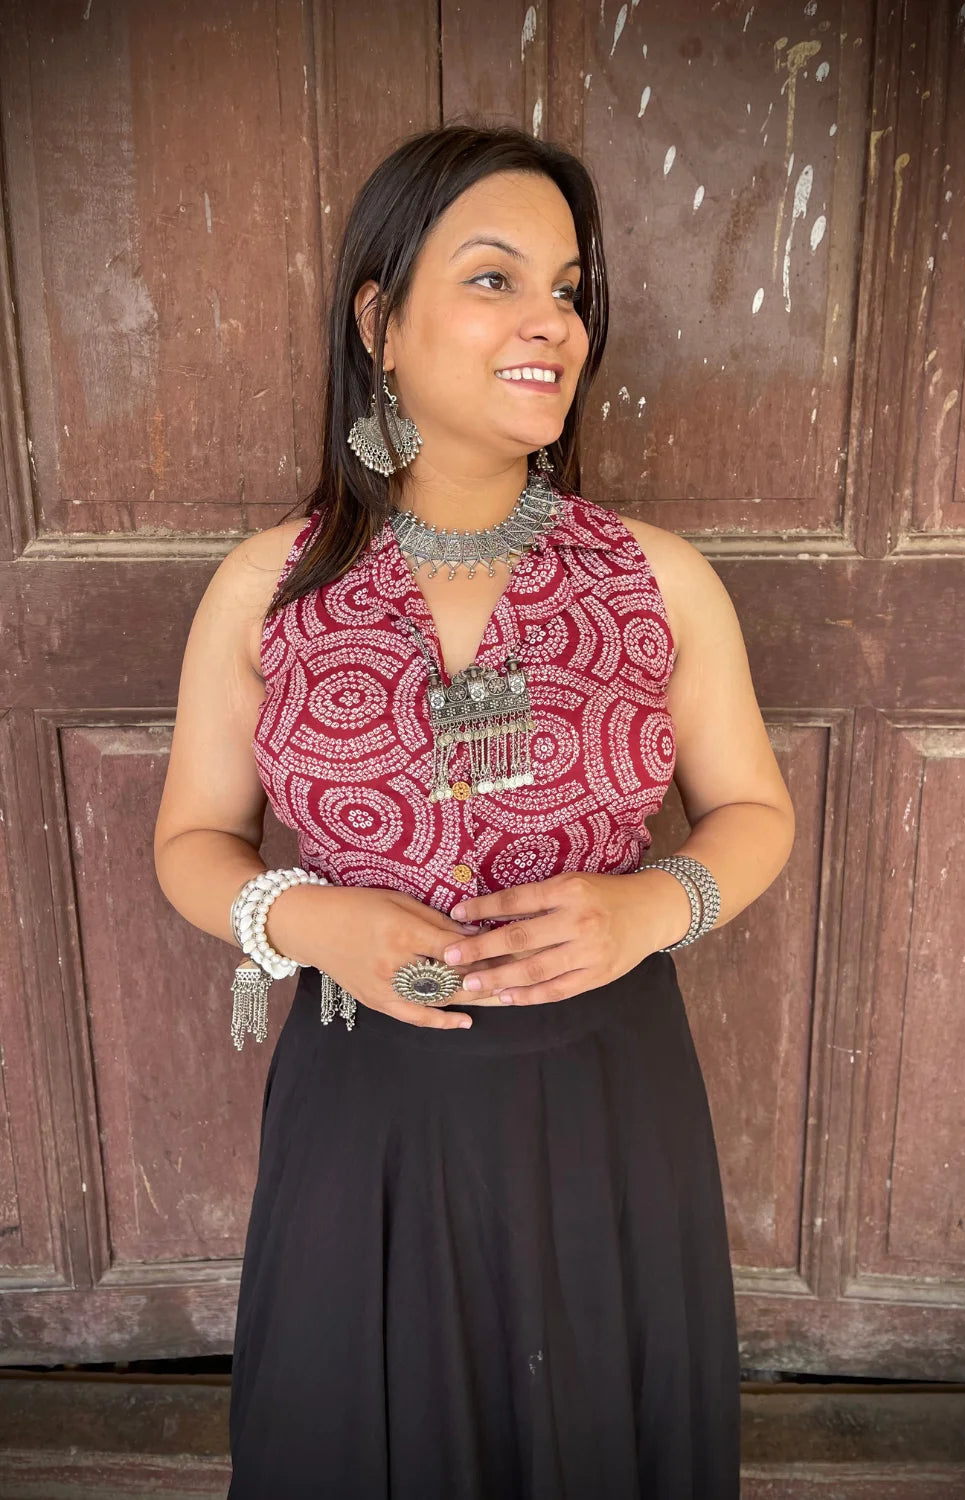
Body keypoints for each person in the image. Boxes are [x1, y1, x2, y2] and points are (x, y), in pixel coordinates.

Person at [154, 122, 795, 1499]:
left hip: (605, 1104)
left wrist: (652, 906)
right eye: (496, 279)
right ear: (379, 323)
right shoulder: (268, 591)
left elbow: (752, 808)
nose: (552, 322)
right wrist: (311, 920)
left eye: (569, 290)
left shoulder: (657, 581)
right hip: (363, 1116)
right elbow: (192, 844)